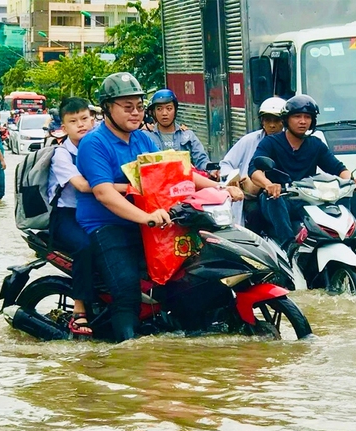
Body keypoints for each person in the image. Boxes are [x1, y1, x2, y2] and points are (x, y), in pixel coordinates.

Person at [76, 72, 243, 342]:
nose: (135, 113)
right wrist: (146, 217)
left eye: (139, 107)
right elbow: (104, 193)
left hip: (152, 221)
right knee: (127, 292)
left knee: (190, 277)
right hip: (108, 226)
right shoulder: (93, 143)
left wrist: (219, 188)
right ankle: (128, 353)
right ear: (107, 108)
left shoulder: (143, 140)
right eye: (127, 107)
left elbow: (178, 173)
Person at [47, 97, 127, 336]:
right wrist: (128, 188)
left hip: (100, 210)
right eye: (73, 121)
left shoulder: (101, 144)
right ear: (64, 127)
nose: (81, 125)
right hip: (67, 215)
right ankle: (79, 310)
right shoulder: (61, 155)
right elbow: (82, 186)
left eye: (84, 118)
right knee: (85, 245)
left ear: (93, 119)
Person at [248, 95, 356, 255]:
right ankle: (288, 245)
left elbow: (338, 168)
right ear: (286, 120)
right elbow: (254, 170)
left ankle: (346, 240)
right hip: (279, 199)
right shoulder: (270, 143)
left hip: (307, 199)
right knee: (274, 198)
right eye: (297, 116)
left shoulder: (316, 145)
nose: (303, 121)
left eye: (307, 117)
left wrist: (352, 181)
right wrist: (268, 184)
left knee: (344, 196)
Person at [219, 97, 286, 226]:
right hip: (254, 196)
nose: (272, 125)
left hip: (283, 194)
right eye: (268, 120)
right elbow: (226, 163)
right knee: (254, 215)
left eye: (276, 120)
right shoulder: (249, 140)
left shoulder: (291, 143)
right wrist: (233, 179)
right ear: (262, 121)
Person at [145, 89, 211, 172]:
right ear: (154, 112)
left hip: (185, 183)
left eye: (169, 108)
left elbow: (202, 161)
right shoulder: (145, 136)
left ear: (175, 110)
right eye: (159, 109)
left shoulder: (188, 135)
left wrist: (213, 170)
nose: (164, 113)